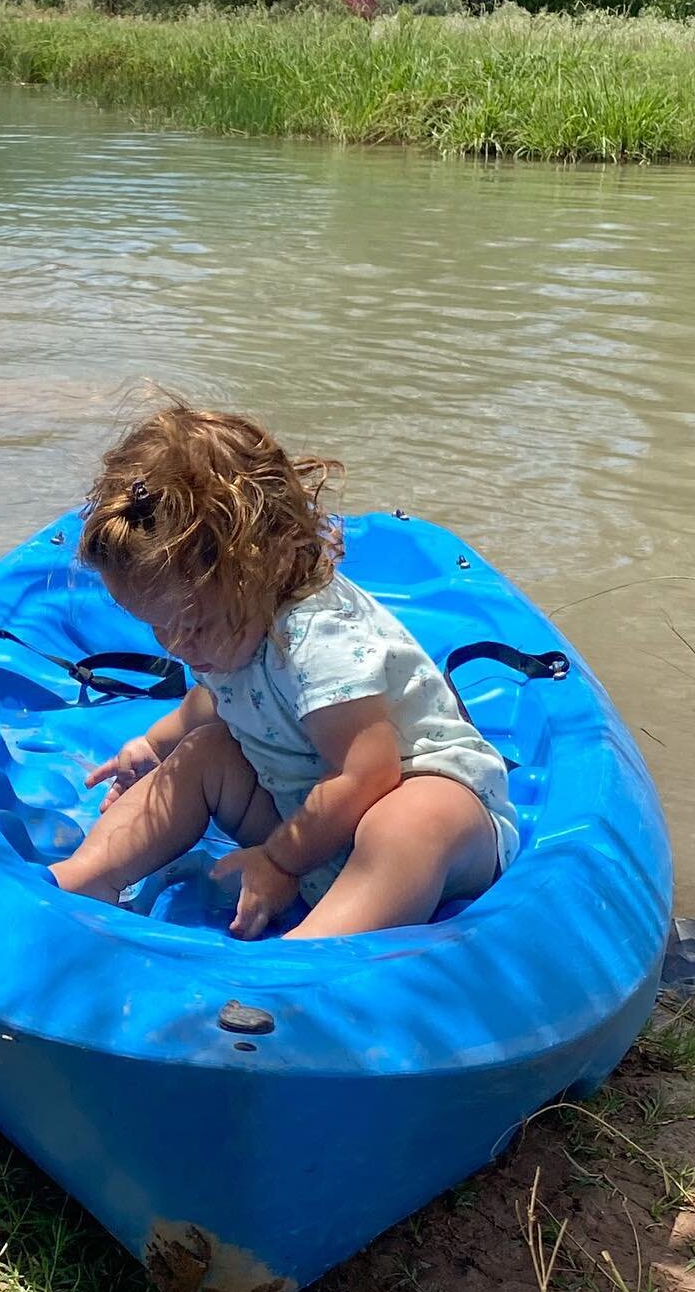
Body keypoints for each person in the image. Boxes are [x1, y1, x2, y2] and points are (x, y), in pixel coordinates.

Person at [50, 403, 520, 941]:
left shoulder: (318, 635)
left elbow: (365, 775)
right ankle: (87, 878)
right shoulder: (230, 624)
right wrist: (155, 747)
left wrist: (279, 862)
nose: (179, 646)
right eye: (159, 629)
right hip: (311, 820)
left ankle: (309, 957)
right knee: (201, 753)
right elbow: (217, 700)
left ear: (262, 567)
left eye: (194, 627)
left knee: (413, 821)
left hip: (426, 808)